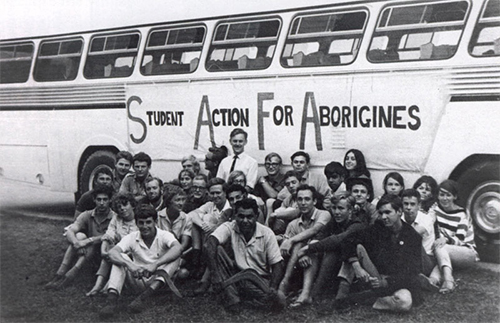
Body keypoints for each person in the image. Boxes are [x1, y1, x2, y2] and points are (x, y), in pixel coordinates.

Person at [334, 194, 423, 312]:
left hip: (396, 283)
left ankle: (363, 299)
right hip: (375, 275)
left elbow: (412, 273)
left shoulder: (413, 237)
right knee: (357, 247)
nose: (384, 217)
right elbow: (348, 240)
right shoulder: (378, 227)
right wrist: (356, 265)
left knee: (404, 303)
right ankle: (342, 296)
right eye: (381, 213)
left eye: (388, 212)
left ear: (399, 211)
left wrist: (385, 282)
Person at [99, 204, 183, 318]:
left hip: (159, 281)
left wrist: (155, 264)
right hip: (138, 277)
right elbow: (113, 252)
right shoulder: (132, 237)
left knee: (176, 257)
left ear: (155, 221)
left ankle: (144, 298)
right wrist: (129, 265)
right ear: (136, 223)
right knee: (120, 257)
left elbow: (178, 248)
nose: (144, 226)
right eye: (141, 223)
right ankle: (111, 302)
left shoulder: (164, 235)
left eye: (148, 222)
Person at [206, 199, 286, 313]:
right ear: (235, 216)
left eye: (249, 217)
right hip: (237, 275)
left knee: (278, 299)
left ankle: (242, 298)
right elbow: (210, 242)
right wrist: (215, 275)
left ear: (257, 216)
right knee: (217, 250)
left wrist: (272, 288)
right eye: (241, 216)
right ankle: (233, 301)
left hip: (258, 279)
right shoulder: (230, 226)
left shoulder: (267, 233)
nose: (245, 221)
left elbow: (277, 264)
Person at [297, 192, 366, 300]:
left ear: (350, 210)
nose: (336, 212)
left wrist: (307, 248)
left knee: (331, 252)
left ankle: (315, 294)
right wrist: (306, 252)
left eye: (341, 208)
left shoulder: (357, 225)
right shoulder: (334, 222)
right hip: (337, 268)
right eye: (334, 208)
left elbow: (338, 240)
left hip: (355, 269)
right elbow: (319, 237)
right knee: (317, 249)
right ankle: (307, 292)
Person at [45, 185, 115, 290]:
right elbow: (70, 230)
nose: (101, 203)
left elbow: (110, 236)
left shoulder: (114, 217)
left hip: (104, 251)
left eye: (105, 199)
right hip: (87, 251)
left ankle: (70, 275)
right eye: (99, 199)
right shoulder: (87, 214)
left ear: (110, 200)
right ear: (94, 200)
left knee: (90, 243)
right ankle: (60, 273)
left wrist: (88, 241)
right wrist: (76, 243)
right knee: (79, 236)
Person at [278, 185, 331, 308]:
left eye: (307, 199)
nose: (303, 203)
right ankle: (287, 285)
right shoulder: (293, 224)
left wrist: (291, 241)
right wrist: (298, 252)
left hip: (322, 262)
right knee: (298, 245)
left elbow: (315, 230)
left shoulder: (323, 214)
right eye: (300, 199)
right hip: (299, 265)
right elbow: (285, 249)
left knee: (308, 248)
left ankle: (291, 288)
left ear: (315, 201)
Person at [401, 189, 455, 294]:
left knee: (412, 241)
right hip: (409, 259)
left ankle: (421, 278)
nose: (408, 208)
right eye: (405, 204)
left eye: (412, 204)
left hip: (426, 259)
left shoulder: (426, 219)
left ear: (419, 205)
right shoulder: (400, 218)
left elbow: (412, 235)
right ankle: (425, 281)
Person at [86, 193, 139, 296]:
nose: (122, 209)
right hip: (118, 251)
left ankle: (108, 287)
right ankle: (97, 286)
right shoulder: (117, 219)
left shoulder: (138, 220)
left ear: (132, 205)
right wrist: (103, 251)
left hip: (133, 256)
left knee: (115, 254)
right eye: (119, 207)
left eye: (125, 205)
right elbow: (108, 235)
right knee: (110, 251)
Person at [187, 177, 231, 293]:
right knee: (201, 221)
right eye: (212, 193)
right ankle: (201, 263)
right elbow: (192, 214)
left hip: (228, 241)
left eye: (218, 193)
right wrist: (204, 226)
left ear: (225, 193)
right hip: (210, 239)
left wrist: (214, 227)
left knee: (207, 218)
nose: (215, 196)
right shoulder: (210, 205)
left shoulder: (230, 206)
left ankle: (205, 277)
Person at [430, 180, 479, 269]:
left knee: (440, 248)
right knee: (439, 253)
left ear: (455, 197)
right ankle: (434, 280)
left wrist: (445, 239)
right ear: (437, 196)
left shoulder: (462, 214)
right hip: (443, 250)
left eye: (448, 195)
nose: (445, 198)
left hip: (465, 252)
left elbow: (460, 239)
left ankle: (448, 279)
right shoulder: (435, 210)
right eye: (442, 195)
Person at [267, 170, 302, 236]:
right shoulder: (288, 199)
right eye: (288, 184)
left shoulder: (304, 196)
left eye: (294, 182)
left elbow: (296, 212)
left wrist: (275, 215)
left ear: (300, 182)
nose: (291, 186)